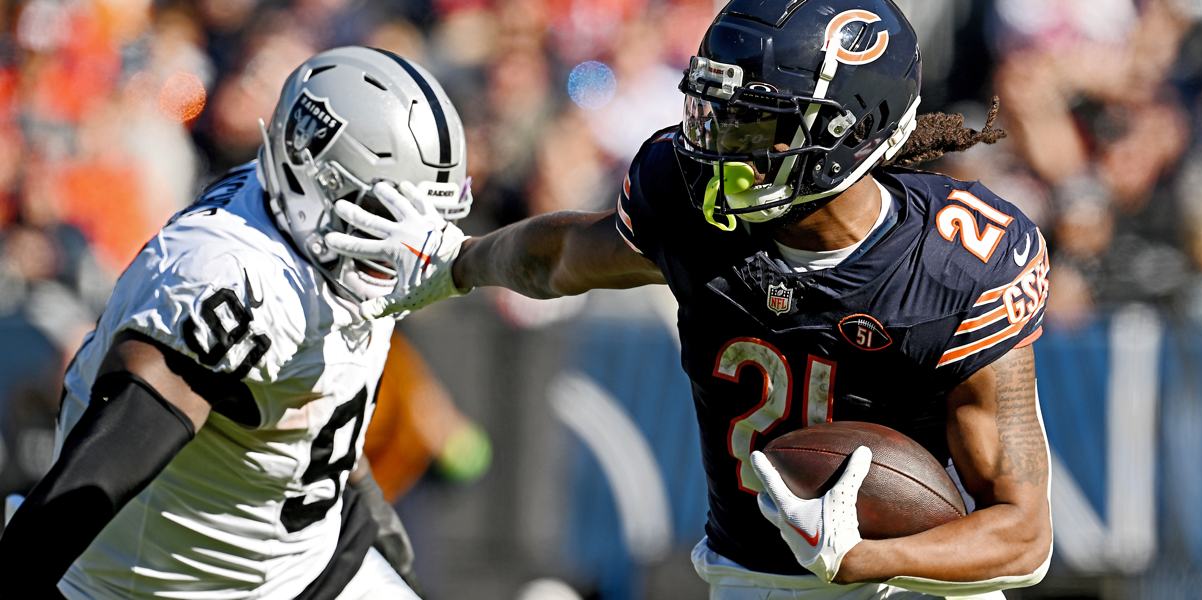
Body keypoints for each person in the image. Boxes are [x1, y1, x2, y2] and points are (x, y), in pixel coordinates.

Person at [335, 0, 1054, 598]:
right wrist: (458, 262)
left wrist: (861, 557)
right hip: (749, 578)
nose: (720, 144)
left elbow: (1023, 536)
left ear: (850, 129)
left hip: (916, 586)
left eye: (757, 123)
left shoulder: (955, 264)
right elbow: (564, 256)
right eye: (718, 112)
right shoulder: (690, 208)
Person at [0, 46, 472, 599]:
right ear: (318, 179)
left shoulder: (318, 241)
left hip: (298, 566)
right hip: (148, 586)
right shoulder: (235, 275)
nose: (406, 246)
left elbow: (304, 405)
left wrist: (363, 512)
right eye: (385, 215)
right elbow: (98, 475)